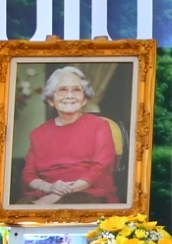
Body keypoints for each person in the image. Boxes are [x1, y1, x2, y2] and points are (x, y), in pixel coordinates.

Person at [17, 65, 120, 206]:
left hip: (87, 193)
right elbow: (28, 175)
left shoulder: (100, 126)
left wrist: (58, 195)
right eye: (63, 90)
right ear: (51, 100)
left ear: (84, 99)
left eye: (76, 90)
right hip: (45, 192)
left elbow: (100, 169)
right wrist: (49, 188)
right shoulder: (38, 133)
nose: (70, 95)